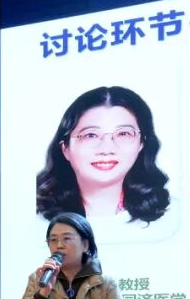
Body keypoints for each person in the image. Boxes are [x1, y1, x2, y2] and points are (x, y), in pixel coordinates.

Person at [36, 86, 174, 242]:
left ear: (141, 144)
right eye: (90, 135)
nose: (107, 149)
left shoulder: (173, 217)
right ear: (65, 148)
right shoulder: (32, 221)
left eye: (123, 134)